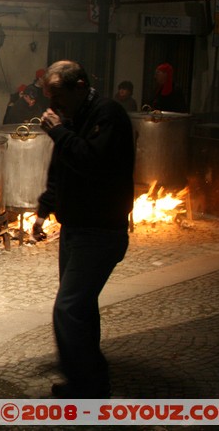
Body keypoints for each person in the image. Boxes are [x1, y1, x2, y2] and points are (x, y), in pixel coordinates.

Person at [32, 60, 134, 398]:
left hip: (101, 231)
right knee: (83, 307)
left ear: (79, 87)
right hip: (75, 228)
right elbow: (61, 170)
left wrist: (59, 132)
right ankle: (88, 382)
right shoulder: (73, 118)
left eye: (58, 95)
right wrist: (44, 211)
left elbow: (93, 162)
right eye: (50, 97)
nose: (54, 105)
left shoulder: (109, 115)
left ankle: (89, 386)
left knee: (69, 308)